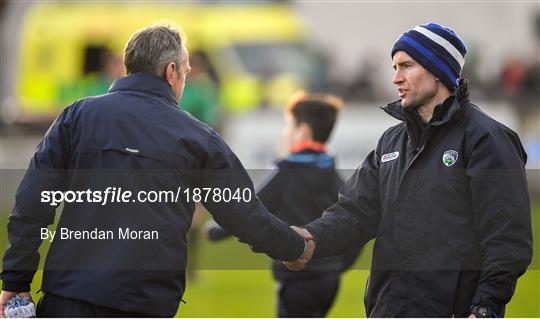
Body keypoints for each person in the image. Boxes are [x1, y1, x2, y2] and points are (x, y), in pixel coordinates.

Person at [0, 23, 313, 317]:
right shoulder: (199, 138)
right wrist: (294, 246)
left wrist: (16, 280)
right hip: (144, 304)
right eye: (186, 73)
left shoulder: (78, 116)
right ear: (171, 71)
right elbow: (245, 215)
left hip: (67, 299)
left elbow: (32, 202)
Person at [284, 22, 533, 317]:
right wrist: (311, 239)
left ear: (438, 70)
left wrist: (484, 307)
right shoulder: (391, 142)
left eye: (406, 66)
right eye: (394, 67)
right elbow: (355, 213)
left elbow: (508, 238)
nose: (395, 78)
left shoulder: (486, 139)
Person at [204, 91, 361, 317]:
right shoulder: (336, 178)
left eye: (289, 126)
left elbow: (247, 208)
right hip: (329, 279)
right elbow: (353, 224)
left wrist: (217, 231)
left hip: (296, 276)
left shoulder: (284, 172)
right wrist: (339, 264)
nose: (285, 133)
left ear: (303, 131)